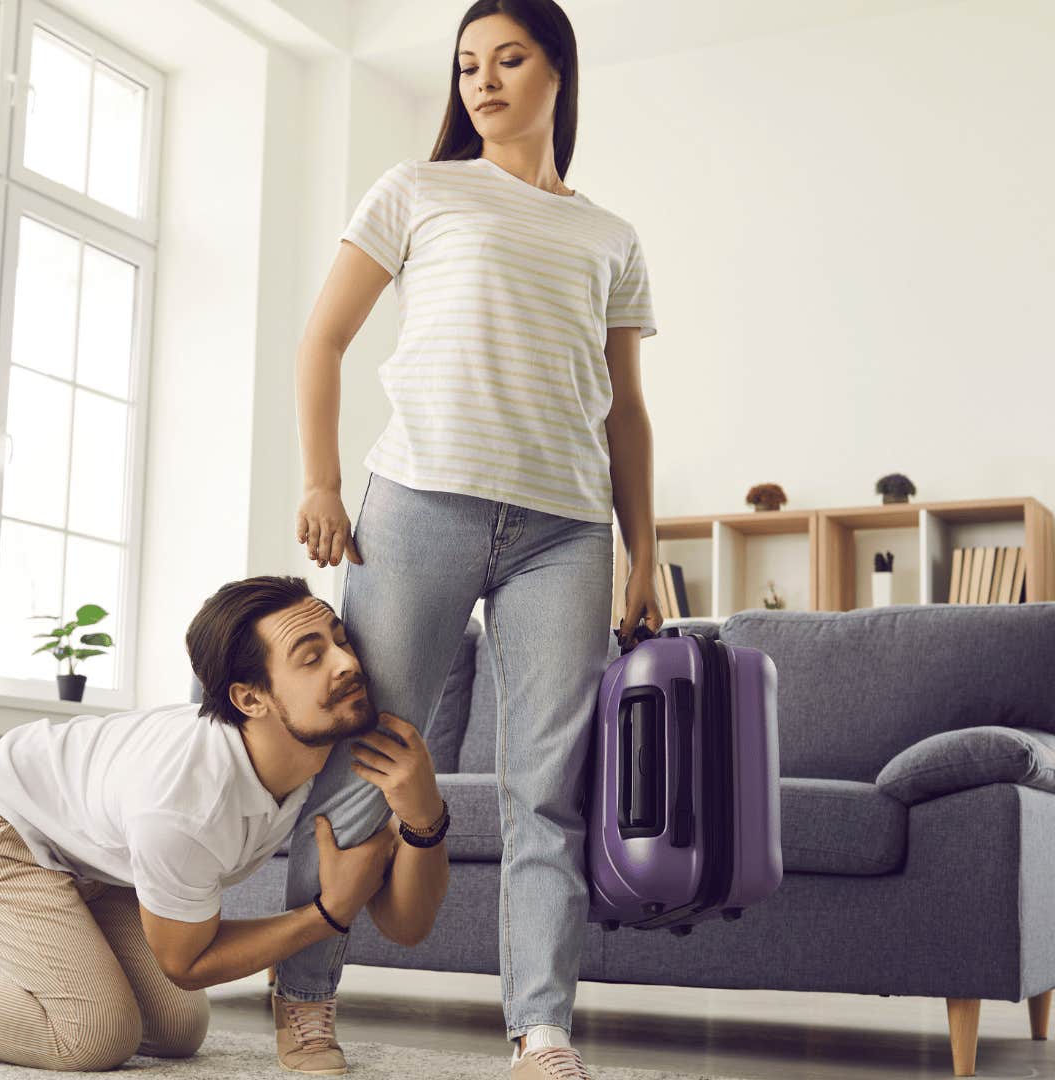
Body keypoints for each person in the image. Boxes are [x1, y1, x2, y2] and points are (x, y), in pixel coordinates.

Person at [280, 0, 663, 1076]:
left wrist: (647, 552)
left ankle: (543, 1031)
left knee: (549, 789)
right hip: (421, 504)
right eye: (465, 65)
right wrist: (320, 478)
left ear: (558, 72)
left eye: (508, 60)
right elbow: (323, 336)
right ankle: (306, 998)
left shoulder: (611, 237)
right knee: (370, 760)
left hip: (567, 531)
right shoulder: (418, 189)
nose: (482, 82)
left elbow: (625, 412)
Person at [0, 575, 451, 1072]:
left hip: (85, 860)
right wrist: (327, 915)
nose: (348, 662)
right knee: (94, 1035)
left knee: (176, 1028)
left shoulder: (339, 749)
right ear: (251, 699)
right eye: (312, 656)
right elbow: (186, 960)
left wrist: (425, 818)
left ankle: (13, 953)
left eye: (338, 638)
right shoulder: (186, 804)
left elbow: (409, 926)